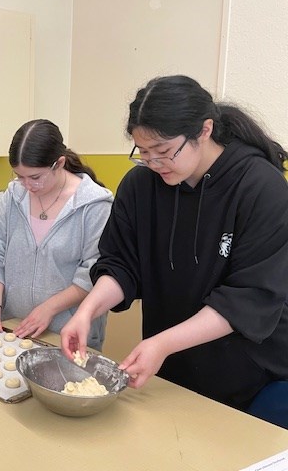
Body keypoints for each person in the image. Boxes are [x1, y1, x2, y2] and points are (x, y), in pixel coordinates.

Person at [60, 75, 288, 426]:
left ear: (205, 130)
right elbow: (122, 265)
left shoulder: (261, 188)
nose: (154, 164)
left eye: (164, 152)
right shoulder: (141, 186)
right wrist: (87, 310)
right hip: (175, 366)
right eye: (144, 153)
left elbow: (248, 298)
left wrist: (162, 344)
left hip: (250, 374)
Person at [0, 119, 113, 350]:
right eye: (20, 176)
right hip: (16, 328)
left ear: (59, 163)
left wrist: (49, 308)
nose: (27, 185)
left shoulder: (94, 205)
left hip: (69, 334)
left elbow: (94, 272)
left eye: (36, 177)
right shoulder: (14, 196)